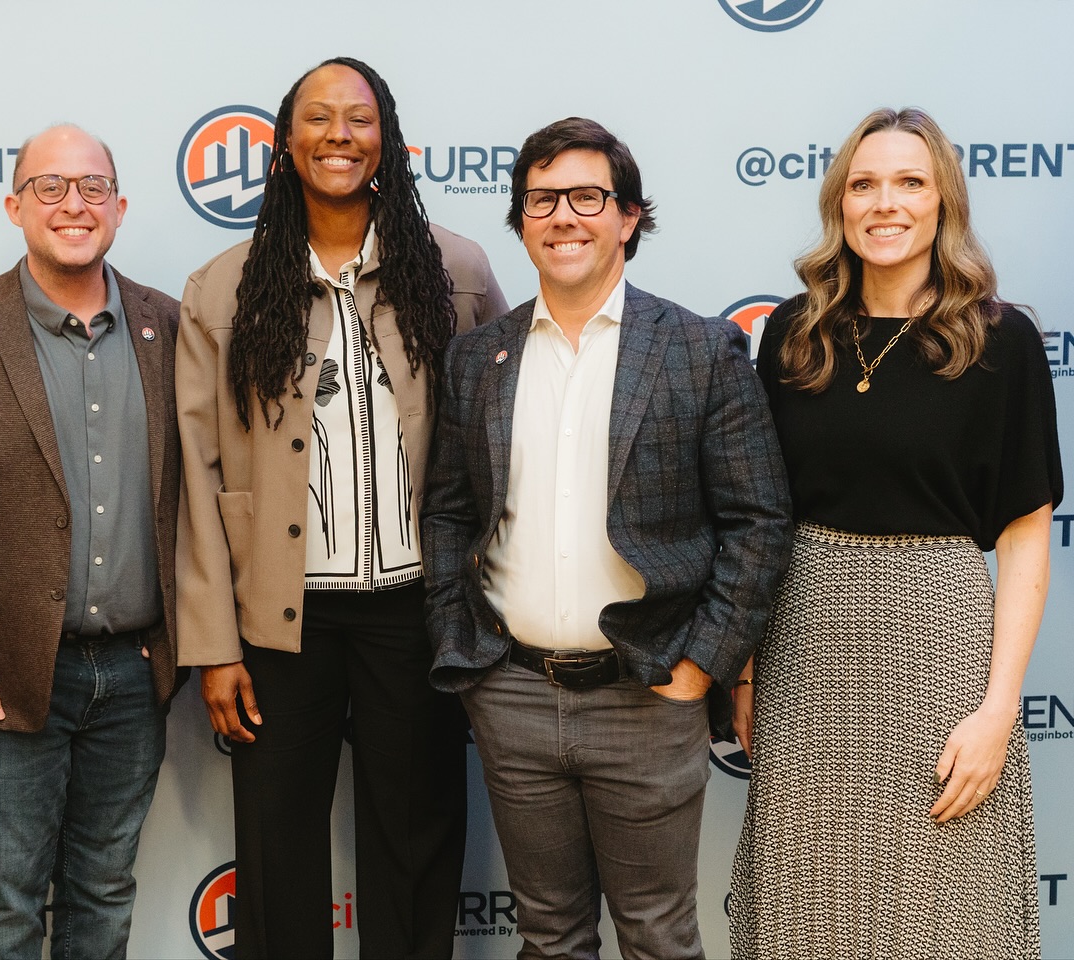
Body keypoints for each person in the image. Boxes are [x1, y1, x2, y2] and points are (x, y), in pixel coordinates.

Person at [421, 117, 792, 960]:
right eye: (541, 200)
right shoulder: (478, 359)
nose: (563, 217)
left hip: (649, 693)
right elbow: (446, 514)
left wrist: (699, 667)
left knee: (658, 936)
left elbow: (758, 523)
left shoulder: (698, 350)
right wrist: (464, 644)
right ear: (520, 223)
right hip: (512, 694)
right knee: (549, 939)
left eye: (587, 197)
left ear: (628, 217)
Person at [176, 56, 507, 959]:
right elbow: (200, 482)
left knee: (415, 843)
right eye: (318, 119)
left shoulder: (456, 269)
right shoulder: (224, 286)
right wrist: (213, 647)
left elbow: (501, 441)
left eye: (358, 119)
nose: (339, 137)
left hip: (417, 612)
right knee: (277, 854)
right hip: (282, 626)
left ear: (387, 140)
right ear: (285, 143)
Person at [729, 107, 1062, 959]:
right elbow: (764, 522)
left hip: (940, 647)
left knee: (944, 909)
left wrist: (997, 710)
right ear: (840, 203)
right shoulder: (795, 338)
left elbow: (1026, 535)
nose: (886, 203)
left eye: (910, 182)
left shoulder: (1001, 341)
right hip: (807, 648)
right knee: (809, 910)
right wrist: (748, 670)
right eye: (864, 183)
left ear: (942, 201)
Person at [0, 124, 181, 960]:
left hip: (134, 675)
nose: (73, 205)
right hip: (6, 668)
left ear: (121, 208)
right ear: (14, 205)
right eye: (50, 187)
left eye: (92, 187)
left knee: (105, 893)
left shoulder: (170, 326)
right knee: (4, 902)